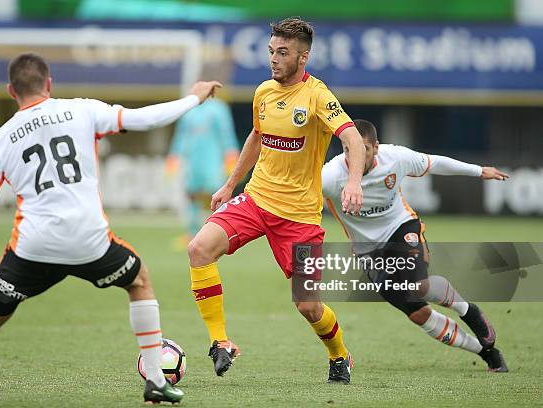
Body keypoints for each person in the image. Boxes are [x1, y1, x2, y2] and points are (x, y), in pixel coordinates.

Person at [0, 52, 221, 404]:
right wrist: (194, 96)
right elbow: (145, 119)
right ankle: (156, 382)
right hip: (88, 241)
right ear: (49, 84)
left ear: (11, 91)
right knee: (139, 279)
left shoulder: (0, 138)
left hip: (33, 246)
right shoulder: (81, 109)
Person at [187, 18, 366, 384]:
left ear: (303, 57)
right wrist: (230, 185)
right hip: (256, 200)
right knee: (199, 248)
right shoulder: (264, 92)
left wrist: (353, 182)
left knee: (309, 306)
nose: (273, 59)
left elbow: (354, 141)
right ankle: (220, 342)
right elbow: (256, 135)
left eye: (282, 53)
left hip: (299, 216)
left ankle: (339, 354)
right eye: (271, 51)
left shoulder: (318, 96)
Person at [321, 119, 509, 372]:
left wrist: (478, 171)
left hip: (401, 227)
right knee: (419, 314)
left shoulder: (395, 158)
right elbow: (297, 194)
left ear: (376, 148)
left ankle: (469, 312)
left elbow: (435, 162)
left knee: (419, 285)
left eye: (362, 148)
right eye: (347, 148)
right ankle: (486, 352)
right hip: (368, 251)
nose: (354, 155)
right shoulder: (330, 176)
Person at [166, 97, 239, 242]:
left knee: (215, 196)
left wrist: (231, 154)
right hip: (192, 161)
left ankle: (221, 232)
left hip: (212, 160)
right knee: (191, 194)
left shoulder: (218, 109)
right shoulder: (189, 111)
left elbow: (226, 134)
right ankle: (192, 233)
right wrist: (174, 157)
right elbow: (181, 137)